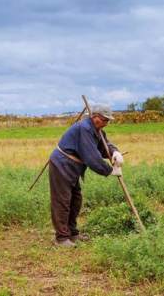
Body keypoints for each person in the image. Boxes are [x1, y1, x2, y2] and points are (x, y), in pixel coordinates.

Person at [48, 104, 124, 247]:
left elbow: (103, 145)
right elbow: (91, 157)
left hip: (72, 167)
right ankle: (61, 238)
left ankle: (72, 233)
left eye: (108, 121)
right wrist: (109, 170)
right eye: (104, 120)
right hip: (62, 164)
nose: (106, 123)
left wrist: (114, 152)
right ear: (95, 117)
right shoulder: (84, 129)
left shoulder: (96, 129)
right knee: (62, 201)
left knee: (75, 200)